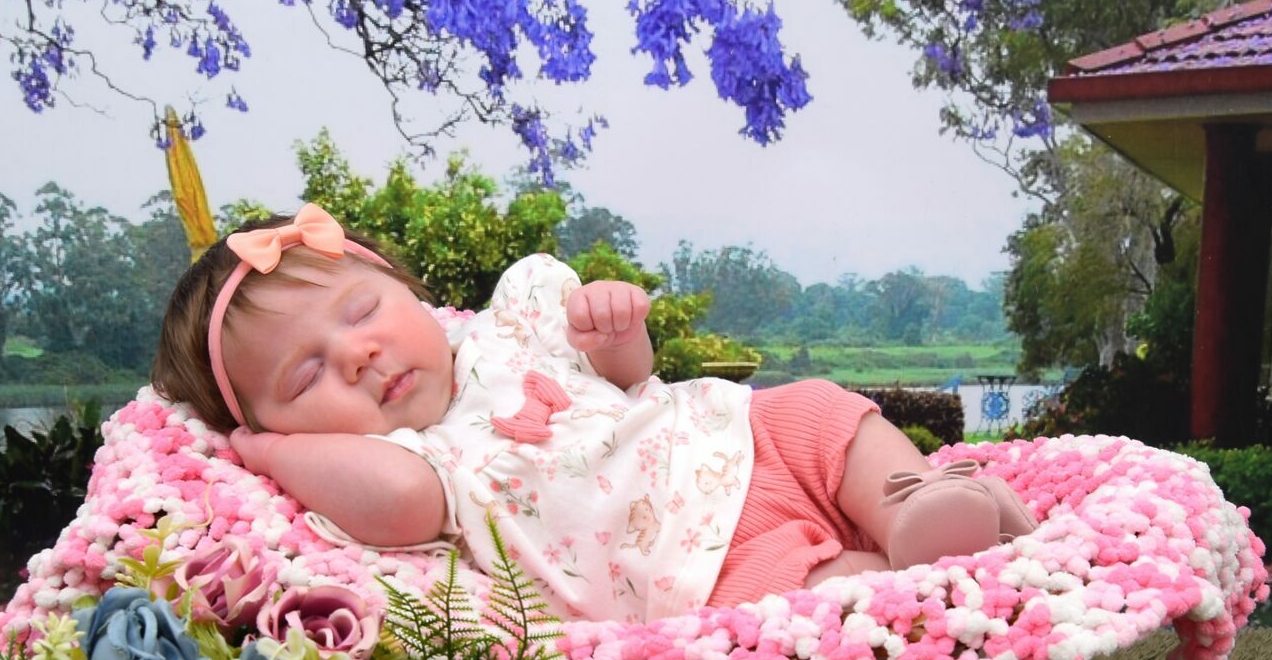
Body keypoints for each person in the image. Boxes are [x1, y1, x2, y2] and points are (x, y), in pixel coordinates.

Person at [152, 204, 1037, 625]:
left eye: (360, 311)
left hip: (735, 440)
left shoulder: (513, 319)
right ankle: (923, 562)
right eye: (307, 376)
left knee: (820, 411)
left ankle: (910, 503)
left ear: (406, 291)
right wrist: (264, 451)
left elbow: (625, 374)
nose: (358, 355)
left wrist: (612, 327)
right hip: (689, 569)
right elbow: (396, 500)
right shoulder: (419, 461)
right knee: (810, 606)